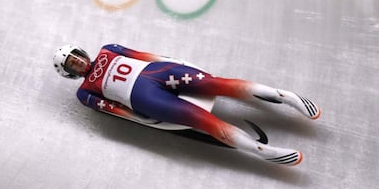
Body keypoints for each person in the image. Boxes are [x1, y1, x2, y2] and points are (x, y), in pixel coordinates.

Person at [53, 44, 321, 166]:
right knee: (203, 121)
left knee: (218, 84)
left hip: (159, 72)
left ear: (81, 53)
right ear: (70, 73)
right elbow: (114, 111)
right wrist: (145, 120)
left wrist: (176, 61)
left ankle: (286, 97)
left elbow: (144, 55)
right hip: (146, 100)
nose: (77, 62)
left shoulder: (108, 49)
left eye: (75, 57)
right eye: (72, 65)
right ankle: (263, 151)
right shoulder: (84, 93)